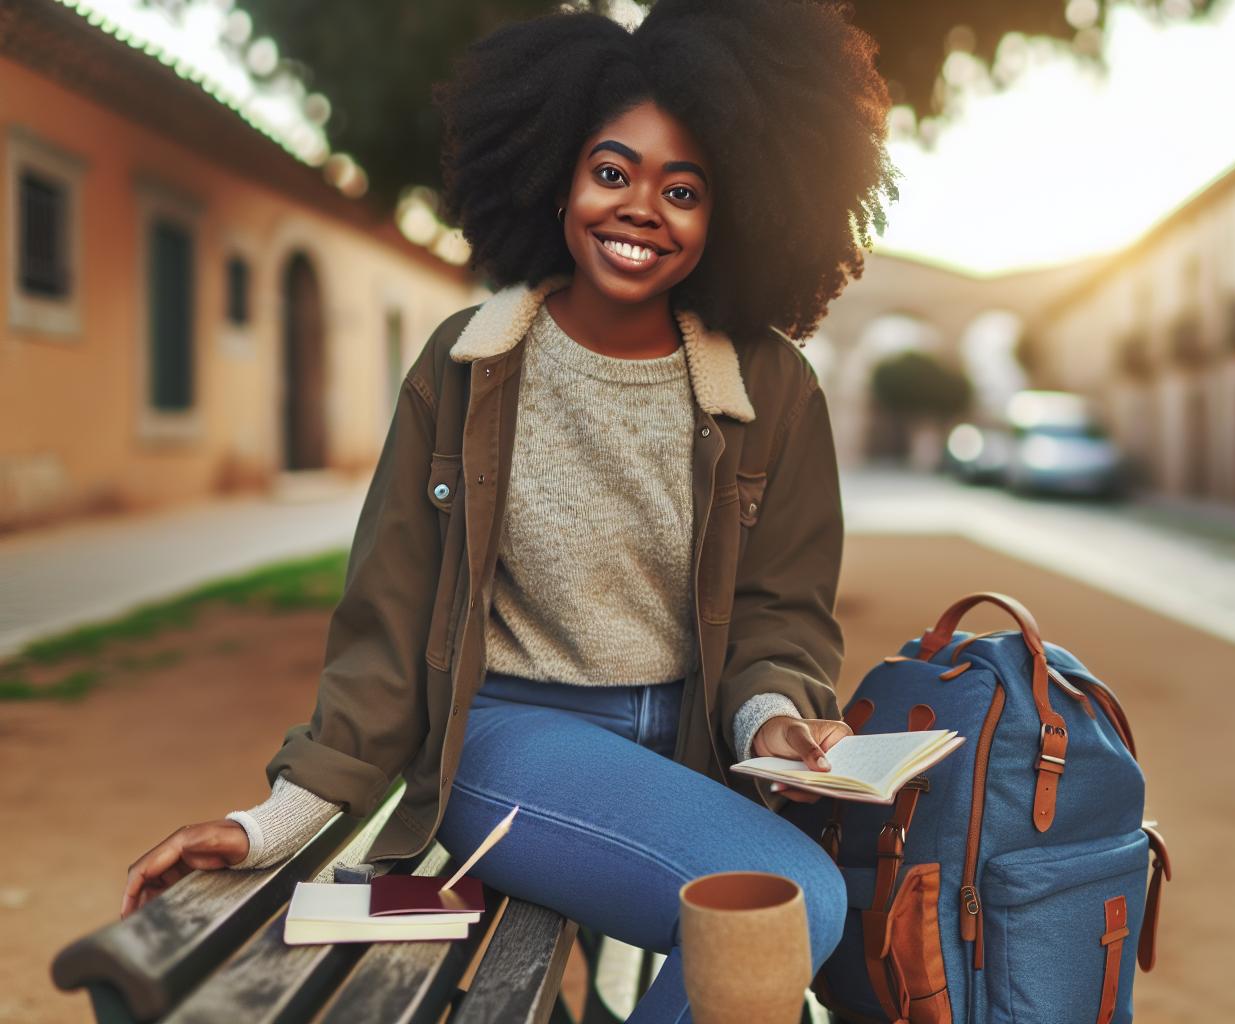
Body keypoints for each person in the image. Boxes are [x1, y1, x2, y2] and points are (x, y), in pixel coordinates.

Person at [120, 2, 899, 1018]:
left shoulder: (773, 388)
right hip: (517, 739)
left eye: (684, 190)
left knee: (795, 917)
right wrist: (270, 822)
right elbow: (386, 629)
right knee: (790, 905)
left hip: (691, 750)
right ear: (556, 172)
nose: (639, 209)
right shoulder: (466, 365)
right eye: (611, 172)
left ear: (737, 210)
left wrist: (779, 718)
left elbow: (781, 611)